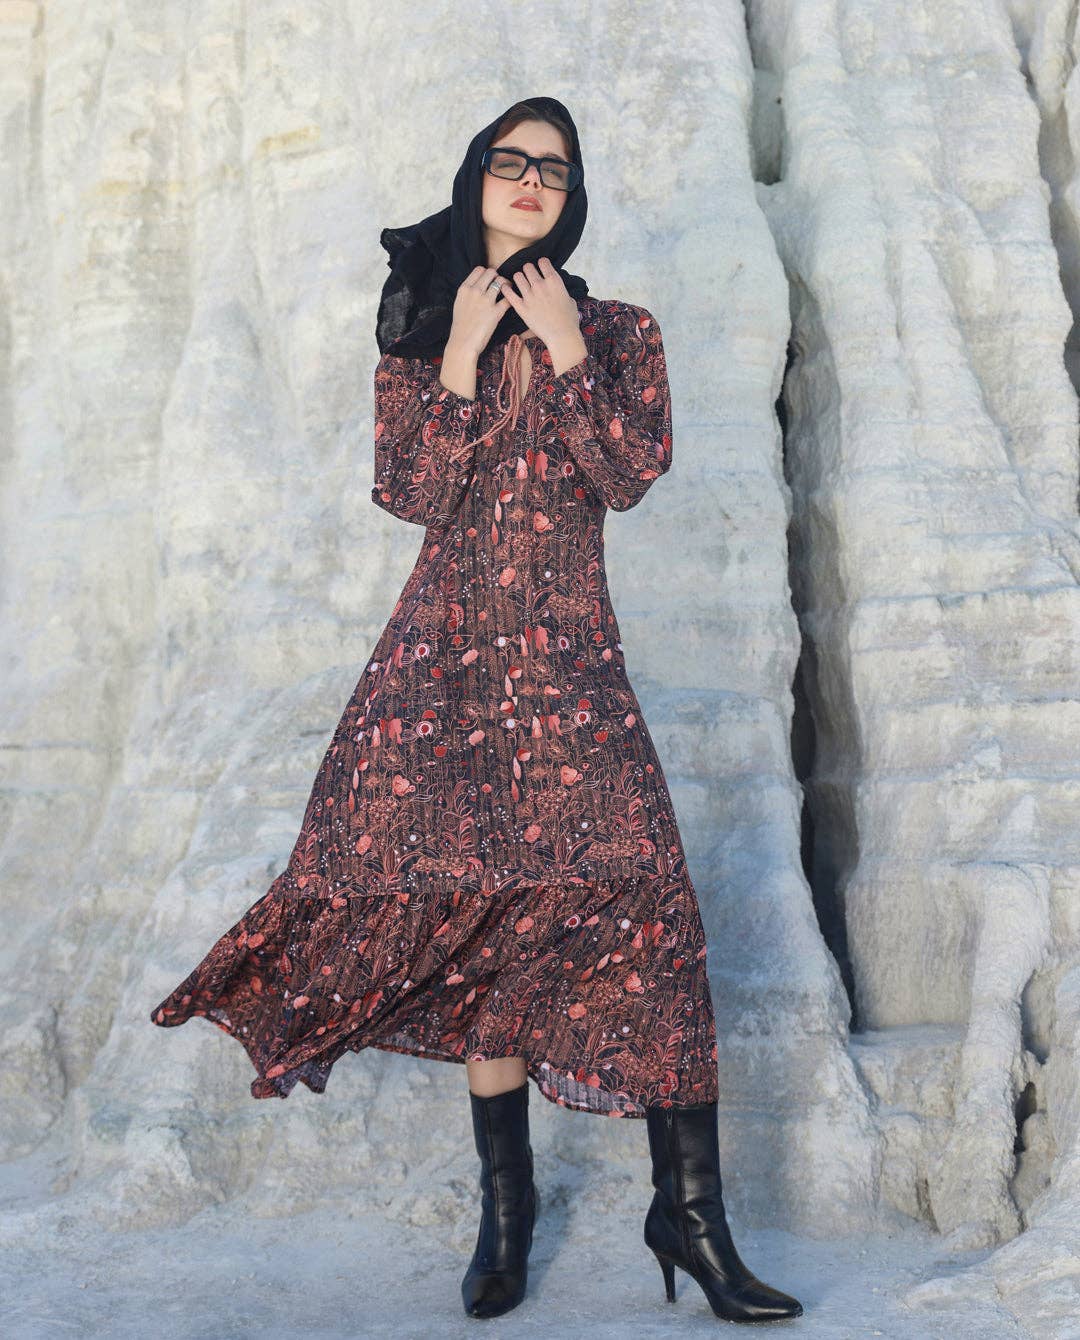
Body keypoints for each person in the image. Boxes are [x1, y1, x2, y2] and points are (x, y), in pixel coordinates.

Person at [149, 95, 803, 1325]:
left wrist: (566, 347)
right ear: (475, 178)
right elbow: (413, 492)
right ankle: (507, 1214)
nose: (532, 179)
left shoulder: (619, 328)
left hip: (571, 664)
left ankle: (693, 1217)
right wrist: (459, 348)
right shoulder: (418, 331)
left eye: (555, 166)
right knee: (479, 913)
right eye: (512, 160)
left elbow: (628, 473)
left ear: (574, 194)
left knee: (652, 906)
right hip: (442, 674)